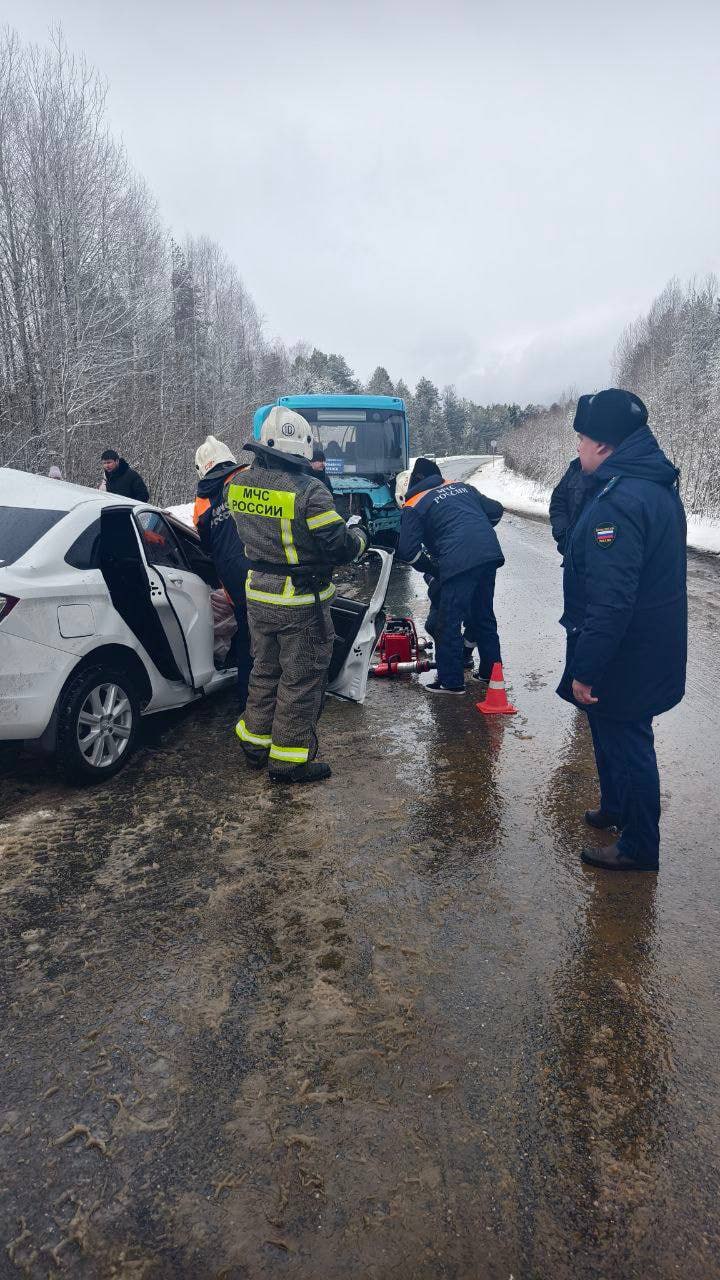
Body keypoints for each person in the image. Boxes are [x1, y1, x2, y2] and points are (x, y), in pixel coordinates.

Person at [557, 388, 687, 872]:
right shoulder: (651, 486)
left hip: (625, 651)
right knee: (609, 729)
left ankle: (639, 846)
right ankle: (615, 807)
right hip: (645, 643)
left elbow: (612, 600)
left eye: (582, 439)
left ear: (604, 445)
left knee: (629, 742)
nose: (578, 447)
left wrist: (586, 668)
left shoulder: (620, 501)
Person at [227, 406, 368, 784]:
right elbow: (338, 546)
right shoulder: (310, 491)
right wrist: (360, 537)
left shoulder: (236, 484)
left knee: (265, 670)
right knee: (301, 680)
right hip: (300, 602)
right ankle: (288, 761)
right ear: (302, 449)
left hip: (258, 593)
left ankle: (255, 744)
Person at [397, 457, 505, 693]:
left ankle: (451, 681)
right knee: (483, 615)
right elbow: (496, 510)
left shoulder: (414, 503)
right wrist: (475, 531)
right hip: (488, 554)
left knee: (448, 622)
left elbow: (407, 552)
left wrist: (433, 568)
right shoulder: (462, 487)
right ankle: (491, 674)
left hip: (458, 561)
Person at [193, 435, 253, 712]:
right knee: (271, 637)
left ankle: (246, 702)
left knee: (246, 640)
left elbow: (205, 543)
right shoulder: (249, 477)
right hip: (261, 567)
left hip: (231, 578)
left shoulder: (202, 500)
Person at [549, 395, 592, 557]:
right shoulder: (575, 468)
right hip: (573, 561)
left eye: (582, 439)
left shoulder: (624, 484)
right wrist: (564, 537)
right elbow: (558, 500)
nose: (578, 448)